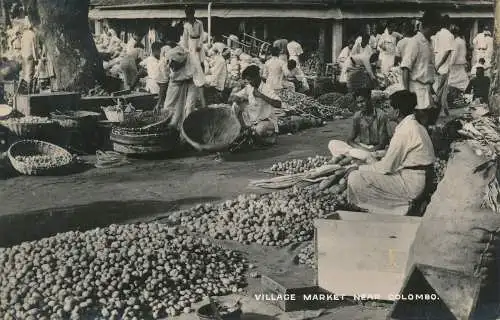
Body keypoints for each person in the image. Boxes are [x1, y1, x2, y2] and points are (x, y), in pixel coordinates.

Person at [346, 90, 436, 215]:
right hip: (420, 178)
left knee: (355, 177)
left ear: (397, 112)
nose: (386, 110)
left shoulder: (405, 130)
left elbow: (386, 167)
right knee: (368, 170)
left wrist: (359, 168)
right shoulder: (414, 125)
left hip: (413, 184)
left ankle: (402, 208)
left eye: (388, 107)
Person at [401, 10, 441, 125]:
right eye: (436, 27)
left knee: (428, 123)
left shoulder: (429, 42)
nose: (437, 31)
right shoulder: (415, 42)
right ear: (430, 25)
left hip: (427, 88)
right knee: (418, 123)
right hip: (416, 89)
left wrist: (433, 91)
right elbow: (405, 68)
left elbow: (428, 68)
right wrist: (406, 93)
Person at [229, 65, 282, 145]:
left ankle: (265, 136)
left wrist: (261, 95)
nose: (249, 82)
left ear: (257, 77)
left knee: (260, 129)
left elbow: (279, 104)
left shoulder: (266, 88)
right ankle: (247, 133)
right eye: (248, 80)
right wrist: (237, 98)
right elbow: (233, 97)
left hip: (266, 122)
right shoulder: (249, 87)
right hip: (253, 121)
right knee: (235, 105)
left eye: (250, 80)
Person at [163, 46, 199, 129]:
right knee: (169, 105)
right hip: (176, 81)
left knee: (189, 107)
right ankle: (169, 125)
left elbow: (199, 82)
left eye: (175, 64)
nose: (172, 66)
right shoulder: (168, 61)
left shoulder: (193, 62)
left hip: (192, 81)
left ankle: (186, 130)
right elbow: (166, 83)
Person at [181, 5, 206, 107]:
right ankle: (194, 82)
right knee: (192, 62)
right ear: (187, 15)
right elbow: (185, 39)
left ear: (193, 13)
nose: (189, 16)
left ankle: (201, 81)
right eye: (188, 14)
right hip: (191, 44)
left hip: (198, 43)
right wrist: (187, 50)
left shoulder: (199, 23)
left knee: (200, 62)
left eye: (191, 14)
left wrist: (200, 45)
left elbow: (202, 34)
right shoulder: (186, 25)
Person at [433, 15, 454, 117]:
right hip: (443, 66)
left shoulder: (437, 34)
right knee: (441, 89)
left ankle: (444, 109)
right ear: (448, 24)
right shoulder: (450, 35)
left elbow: (435, 50)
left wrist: (435, 65)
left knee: (439, 88)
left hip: (437, 64)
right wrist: (439, 64)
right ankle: (437, 109)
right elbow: (447, 53)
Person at [448, 25, 469, 92]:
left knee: (452, 81)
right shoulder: (462, 41)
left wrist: (450, 63)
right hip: (461, 62)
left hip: (456, 63)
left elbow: (454, 54)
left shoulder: (456, 42)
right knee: (463, 79)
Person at [20, 19, 38, 94]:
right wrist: (36, 58)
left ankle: (23, 91)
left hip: (24, 56)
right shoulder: (33, 34)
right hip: (30, 55)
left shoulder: (24, 34)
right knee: (30, 74)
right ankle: (29, 92)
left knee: (25, 74)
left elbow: (22, 46)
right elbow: (34, 47)